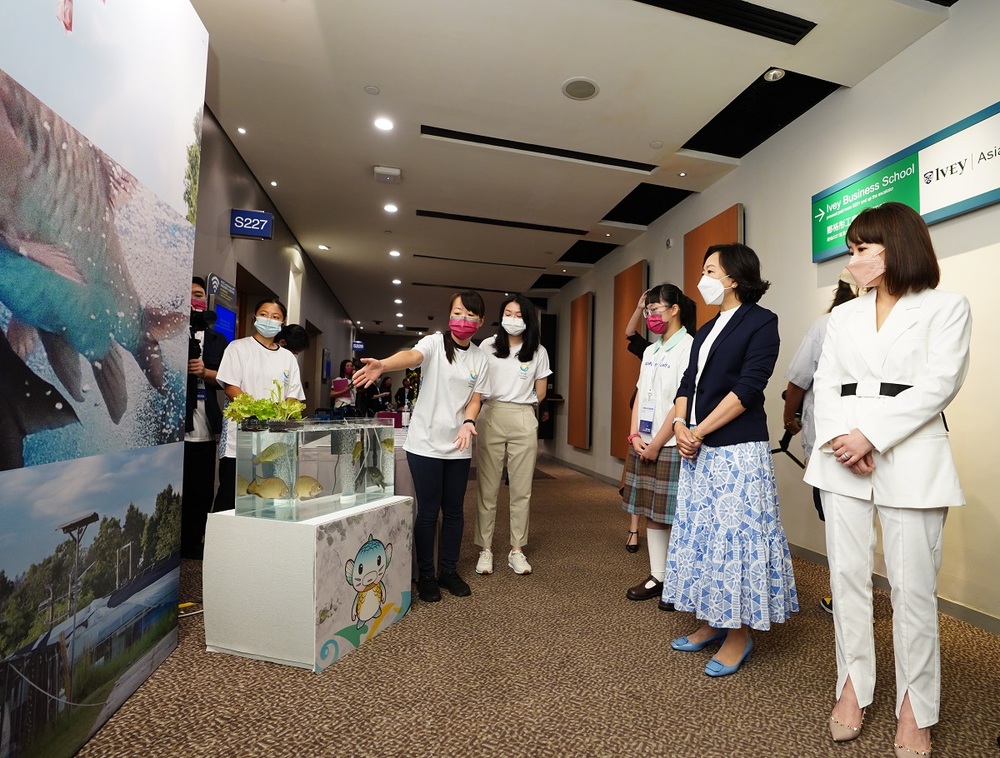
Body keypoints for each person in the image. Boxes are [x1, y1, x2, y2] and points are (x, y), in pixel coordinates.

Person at [803, 202, 971, 756]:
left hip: (909, 454)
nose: (851, 261)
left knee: (912, 588)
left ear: (893, 248)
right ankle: (853, 684)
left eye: (860, 250)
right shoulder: (843, 317)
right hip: (840, 453)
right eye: (850, 250)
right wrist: (839, 440)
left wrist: (869, 436)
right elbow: (824, 385)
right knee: (847, 577)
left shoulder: (946, 308)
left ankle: (915, 706)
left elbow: (938, 384)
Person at [663, 243, 798, 678]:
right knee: (704, 538)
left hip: (736, 449)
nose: (702, 278)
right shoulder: (705, 328)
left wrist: (699, 431)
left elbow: (750, 386)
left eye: (709, 270)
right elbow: (689, 382)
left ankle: (739, 634)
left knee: (735, 540)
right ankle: (712, 622)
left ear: (734, 277)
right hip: (697, 448)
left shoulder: (762, 322)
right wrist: (682, 425)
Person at [352, 291, 490, 602]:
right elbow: (412, 357)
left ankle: (449, 571)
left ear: (480, 321)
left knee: (454, 511)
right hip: (424, 443)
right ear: (449, 315)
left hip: (459, 443)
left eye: (471, 315)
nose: (463, 319)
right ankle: (426, 574)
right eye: (458, 312)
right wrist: (384, 364)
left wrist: (469, 421)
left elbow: (475, 400)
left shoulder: (481, 358)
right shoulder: (434, 343)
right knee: (428, 512)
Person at [782, 269, 859, 613]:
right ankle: (849, 595)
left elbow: (798, 381)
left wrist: (789, 417)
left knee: (839, 522)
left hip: (832, 444)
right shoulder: (843, 324)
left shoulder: (826, 325)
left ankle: (845, 597)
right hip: (864, 440)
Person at [622, 284, 695, 604]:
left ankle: (679, 580)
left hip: (670, 444)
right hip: (643, 441)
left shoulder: (690, 347)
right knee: (650, 511)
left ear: (675, 309)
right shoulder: (650, 350)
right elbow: (640, 395)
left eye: (655, 310)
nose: (651, 317)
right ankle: (658, 576)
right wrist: (635, 435)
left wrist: (657, 443)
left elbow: (681, 402)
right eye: (648, 311)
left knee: (676, 514)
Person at [473, 295, 551, 576]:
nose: (512, 319)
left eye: (519, 315)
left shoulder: (538, 351)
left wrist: (526, 406)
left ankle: (516, 550)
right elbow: (477, 384)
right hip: (491, 412)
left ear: (528, 319)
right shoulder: (487, 346)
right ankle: (486, 549)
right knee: (487, 486)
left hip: (522, 415)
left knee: (521, 488)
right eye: (508, 313)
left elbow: (541, 391)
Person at [213, 298, 306, 512]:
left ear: (282, 323)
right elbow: (231, 387)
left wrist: (283, 412)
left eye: (275, 317)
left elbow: (293, 396)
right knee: (231, 496)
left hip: (274, 442)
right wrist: (257, 414)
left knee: (269, 499)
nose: (269, 320)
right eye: (264, 314)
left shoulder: (288, 358)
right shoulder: (237, 348)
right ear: (255, 317)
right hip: (240, 439)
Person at [181, 277, 229, 559]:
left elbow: (225, 379)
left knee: (202, 489)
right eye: (189, 295)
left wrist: (204, 372)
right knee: (182, 488)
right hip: (178, 426)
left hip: (206, 423)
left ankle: (194, 541)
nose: (194, 300)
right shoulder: (172, 332)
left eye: (199, 295)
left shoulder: (217, 339)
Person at [622, 288, 652, 553]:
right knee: (636, 480)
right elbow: (630, 334)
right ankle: (633, 530)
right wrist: (639, 306)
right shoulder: (651, 350)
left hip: (667, 424)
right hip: (640, 420)